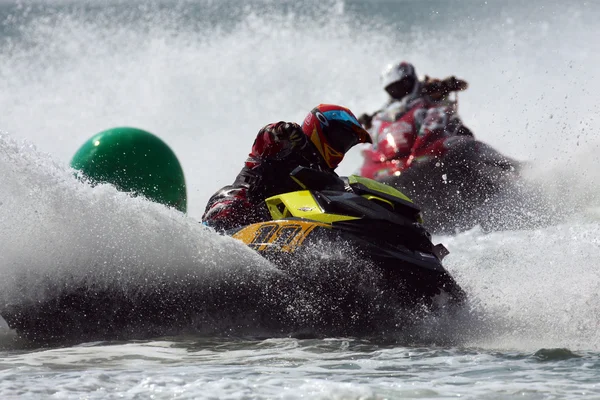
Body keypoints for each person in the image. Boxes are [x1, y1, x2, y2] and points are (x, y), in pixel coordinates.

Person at [202, 104, 373, 231]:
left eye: (347, 143)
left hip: (275, 228)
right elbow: (267, 137)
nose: (342, 145)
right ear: (319, 126)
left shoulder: (327, 178)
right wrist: (283, 130)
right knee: (235, 208)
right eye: (341, 137)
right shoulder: (287, 143)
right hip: (236, 206)